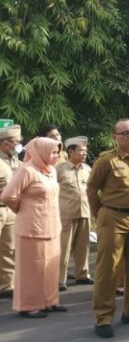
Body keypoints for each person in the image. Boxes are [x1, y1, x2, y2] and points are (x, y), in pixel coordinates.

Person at [87, 119, 129, 339]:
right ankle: (103, 318)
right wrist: (100, 214)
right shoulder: (106, 160)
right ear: (115, 137)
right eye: (125, 133)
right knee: (108, 269)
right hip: (113, 217)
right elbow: (91, 189)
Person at [1, 137, 64, 317]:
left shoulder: (51, 171)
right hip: (32, 226)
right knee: (32, 269)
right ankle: (29, 306)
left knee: (50, 266)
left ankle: (50, 301)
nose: (56, 156)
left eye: (57, 152)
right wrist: (22, 209)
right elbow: (7, 196)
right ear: (41, 152)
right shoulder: (27, 170)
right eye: (53, 152)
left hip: (52, 225)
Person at [56, 136, 92, 290]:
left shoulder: (88, 169)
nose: (84, 153)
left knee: (83, 246)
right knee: (63, 248)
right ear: (71, 152)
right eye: (80, 150)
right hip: (66, 214)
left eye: (85, 150)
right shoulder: (59, 169)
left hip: (84, 211)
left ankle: (82, 275)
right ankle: (59, 280)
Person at [0, 124, 23, 299]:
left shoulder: (16, 161)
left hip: (11, 210)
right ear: (5, 143)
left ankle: (7, 285)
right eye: (16, 142)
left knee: (9, 248)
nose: (19, 145)